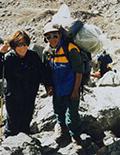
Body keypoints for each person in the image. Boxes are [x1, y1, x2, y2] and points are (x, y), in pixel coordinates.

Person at [0, 30, 53, 137]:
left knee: (26, 122)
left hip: (29, 95)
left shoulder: (33, 56)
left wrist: (48, 85)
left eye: (25, 44)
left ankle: (26, 143)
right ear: (13, 46)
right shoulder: (8, 58)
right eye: (19, 45)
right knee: (13, 124)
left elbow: (43, 73)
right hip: (13, 97)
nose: (23, 47)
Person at [42, 22, 84, 150]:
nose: (52, 39)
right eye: (48, 37)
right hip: (57, 89)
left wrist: (76, 90)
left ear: (60, 35)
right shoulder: (47, 51)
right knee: (58, 110)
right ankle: (62, 128)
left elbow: (79, 71)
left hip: (71, 88)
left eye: (55, 36)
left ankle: (75, 136)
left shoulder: (70, 49)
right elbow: (46, 72)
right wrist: (48, 87)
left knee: (73, 114)